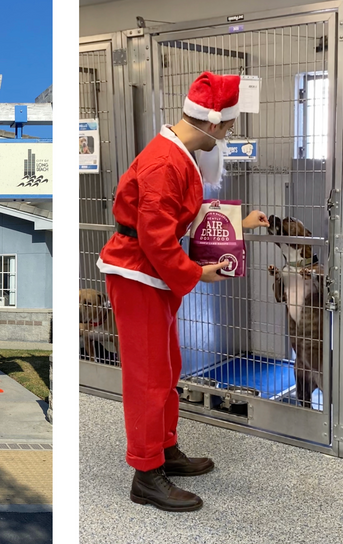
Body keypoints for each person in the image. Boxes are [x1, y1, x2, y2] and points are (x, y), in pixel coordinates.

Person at [97, 71, 270, 512]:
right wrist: (195, 274)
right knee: (148, 378)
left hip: (149, 272)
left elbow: (182, 219)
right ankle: (145, 473)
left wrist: (237, 225)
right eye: (229, 127)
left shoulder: (177, 154)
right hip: (138, 273)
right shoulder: (165, 162)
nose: (228, 136)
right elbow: (157, 238)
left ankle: (164, 450)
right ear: (213, 124)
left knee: (166, 368)